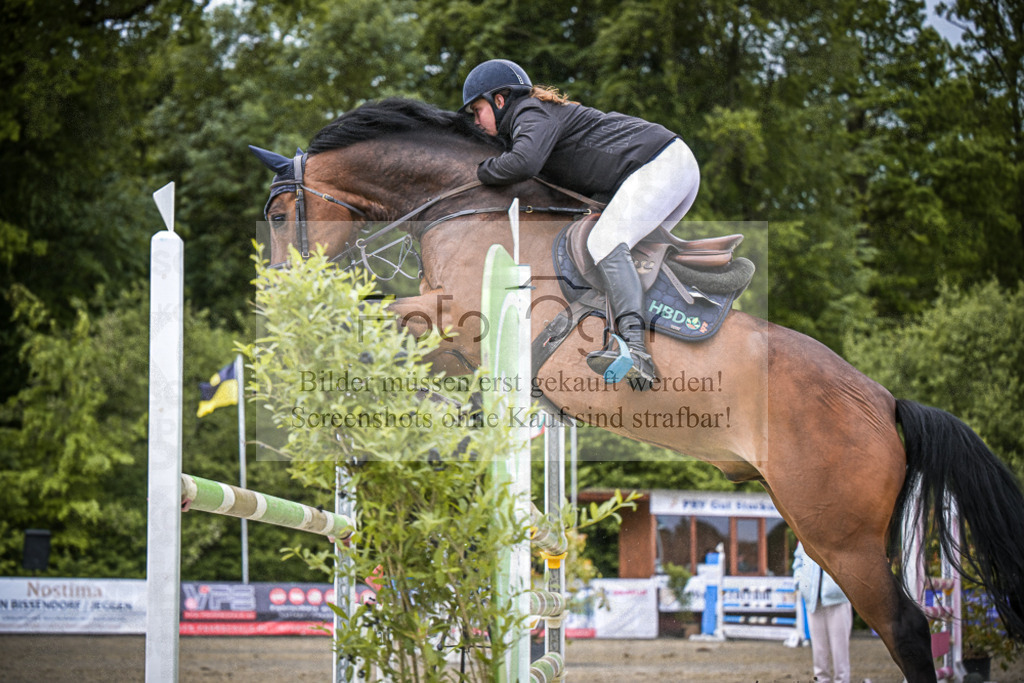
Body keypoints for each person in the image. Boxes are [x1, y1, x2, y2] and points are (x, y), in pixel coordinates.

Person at [461, 58, 701, 390]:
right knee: (615, 254)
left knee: (604, 242)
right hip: (670, 166)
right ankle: (669, 318)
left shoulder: (530, 112)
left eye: (477, 110)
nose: (476, 121)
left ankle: (636, 349)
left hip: (662, 165)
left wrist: (479, 170)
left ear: (500, 100)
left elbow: (523, 162)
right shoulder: (535, 116)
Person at [793, 542, 853, 683]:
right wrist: (800, 583)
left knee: (840, 650)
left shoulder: (840, 534)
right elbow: (798, 562)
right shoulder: (804, 537)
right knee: (819, 650)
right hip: (813, 601)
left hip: (838, 599)